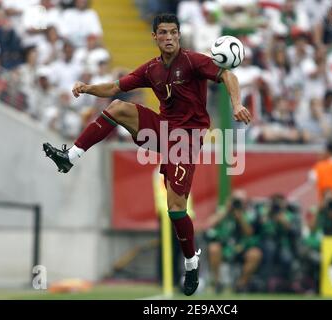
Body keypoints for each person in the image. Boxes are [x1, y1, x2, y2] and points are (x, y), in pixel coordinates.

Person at [42, 13, 251, 296]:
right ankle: (70, 157)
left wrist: (236, 104)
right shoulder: (151, 69)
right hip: (163, 131)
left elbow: (227, 73)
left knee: (175, 208)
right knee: (117, 106)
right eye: (163, 33)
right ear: (155, 37)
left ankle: (191, 263)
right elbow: (116, 87)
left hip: (186, 140)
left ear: (179, 35)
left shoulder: (192, 61)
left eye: (173, 32)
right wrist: (88, 88)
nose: (169, 38)